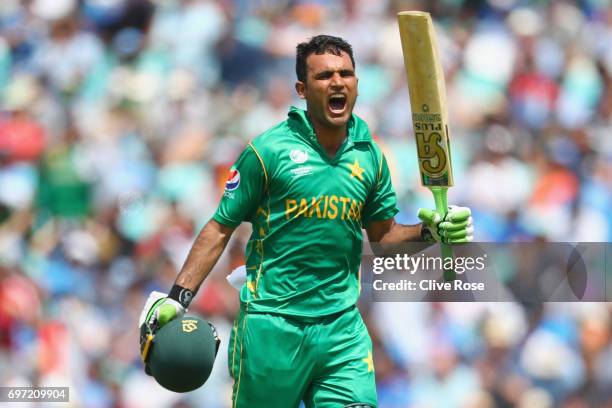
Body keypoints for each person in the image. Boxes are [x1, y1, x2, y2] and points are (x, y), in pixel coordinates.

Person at [140, 35, 473, 408]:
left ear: (357, 84)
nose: (337, 82)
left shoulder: (370, 157)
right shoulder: (268, 152)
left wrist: (430, 231)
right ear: (302, 88)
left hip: (341, 329)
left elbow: (385, 239)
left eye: (346, 73)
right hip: (272, 326)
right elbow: (221, 226)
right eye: (324, 75)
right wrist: (178, 297)